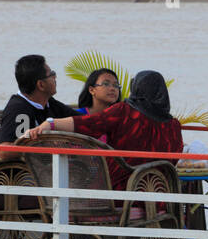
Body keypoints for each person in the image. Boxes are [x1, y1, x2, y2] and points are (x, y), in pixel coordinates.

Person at [24, 70, 182, 192]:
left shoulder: (125, 112)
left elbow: (90, 124)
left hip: (120, 192)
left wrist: (50, 123)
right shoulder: (174, 125)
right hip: (160, 193)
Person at [0, 54, 76, 144]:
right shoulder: (19, 109)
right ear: (41, 85)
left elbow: (78, 119)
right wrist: (45, 144)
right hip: (29, 158)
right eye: (52, 74)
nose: (55, 77)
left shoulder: (49, 103)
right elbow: (4, 151)